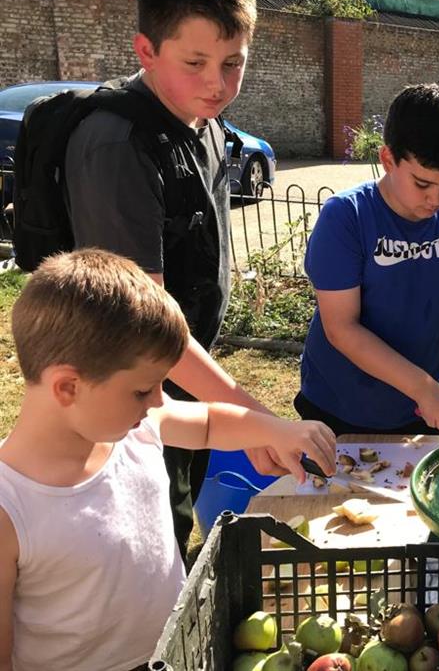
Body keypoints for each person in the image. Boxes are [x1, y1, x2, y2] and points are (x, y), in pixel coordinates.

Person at [0, 248, 338, 671]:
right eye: (143, 390)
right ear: (68, 387)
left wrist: (275, 430)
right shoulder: (10, 508)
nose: (159, 402)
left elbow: (209, 423)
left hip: (178, 654)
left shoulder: (139, 427)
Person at [61, 0, 286, 555]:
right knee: (146, 534)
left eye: (234, 63)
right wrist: (252, 416)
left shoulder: (202, 123)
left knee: (178, 514)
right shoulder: (118, 148)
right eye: (195, 63)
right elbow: (144, 324)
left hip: (183, 377)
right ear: (146, 51)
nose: (218, 83)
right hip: (128, 394)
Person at [295, 84, 439, 436]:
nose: (436, 199)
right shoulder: (346, 217)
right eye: (422, 184)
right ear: (387, 160)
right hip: (341, 409)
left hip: (429, 409)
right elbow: (341, 328)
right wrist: (424, 389)